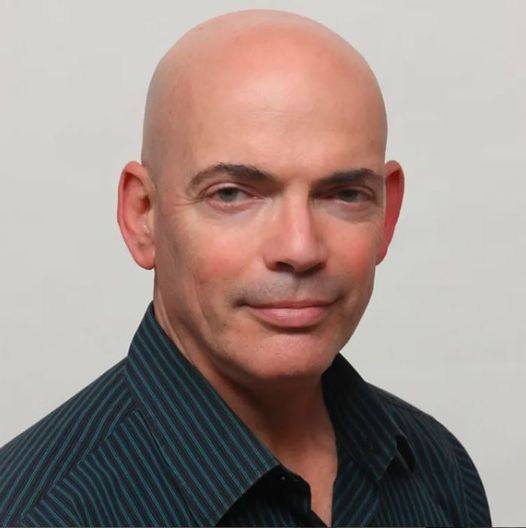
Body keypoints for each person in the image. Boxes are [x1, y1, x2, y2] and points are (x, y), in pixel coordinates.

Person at [0, 9, 491, 528]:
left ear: (386, 216)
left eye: (344, 194)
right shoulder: (35, 515)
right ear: (143, 215)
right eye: (232, 194)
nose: (300, 248)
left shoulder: (439, 468)